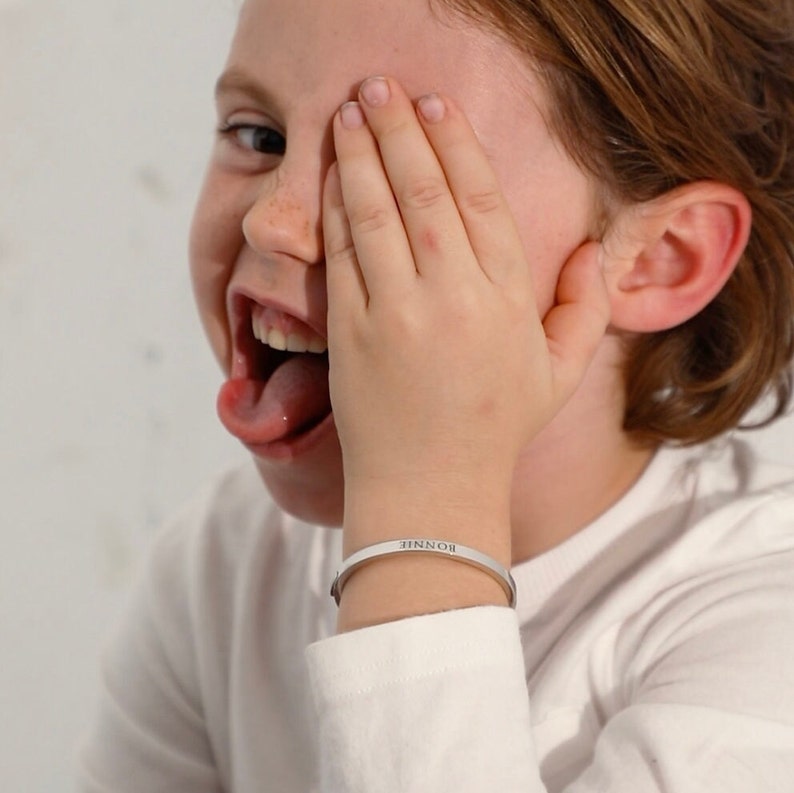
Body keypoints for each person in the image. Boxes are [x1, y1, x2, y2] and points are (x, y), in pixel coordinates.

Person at [78, 0, 794, 790]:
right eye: (259, 137)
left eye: (397, 171)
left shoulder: (761, 646)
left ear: (662, 257)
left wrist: (427, 500)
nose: (275, 221)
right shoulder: (226, 567)